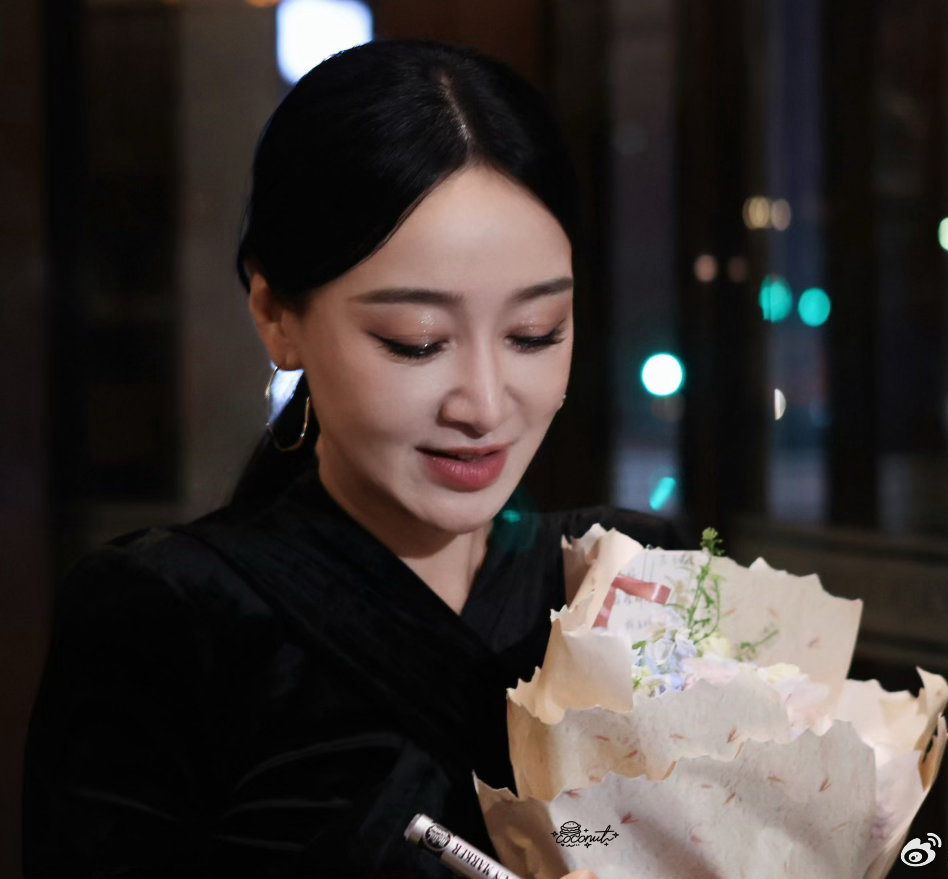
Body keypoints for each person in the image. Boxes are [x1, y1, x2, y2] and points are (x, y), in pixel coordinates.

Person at [23, 39, 677, 879]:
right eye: (416, 341)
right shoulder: (167, 619)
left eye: (533, 333)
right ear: (275, 314)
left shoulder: (628, 580)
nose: (483, 404)